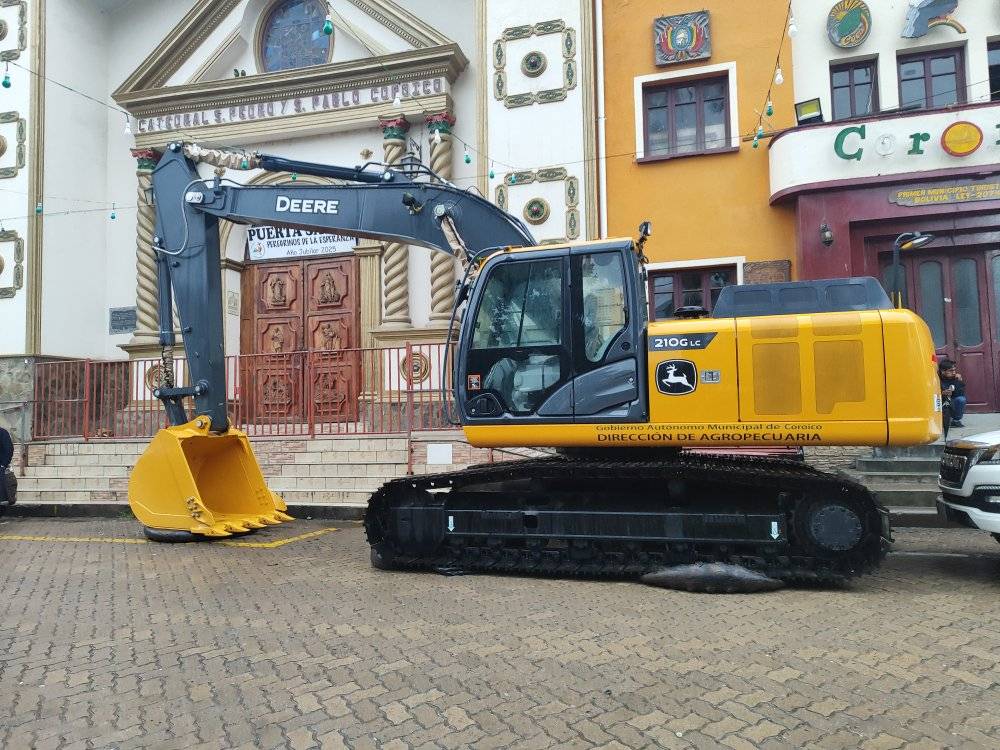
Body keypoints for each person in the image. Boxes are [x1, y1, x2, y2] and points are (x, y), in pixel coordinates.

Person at [938, 359, 966, 428]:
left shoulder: (956, 378)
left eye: (954, 370)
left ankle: (955, 421)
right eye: (951, 371)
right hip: (940, 402)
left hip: (951, 401)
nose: (954, 372)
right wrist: (941, 393)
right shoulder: (936, 378)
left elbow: (960, 394)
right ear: (943, 371)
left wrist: (959, 381)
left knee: (961, 399)